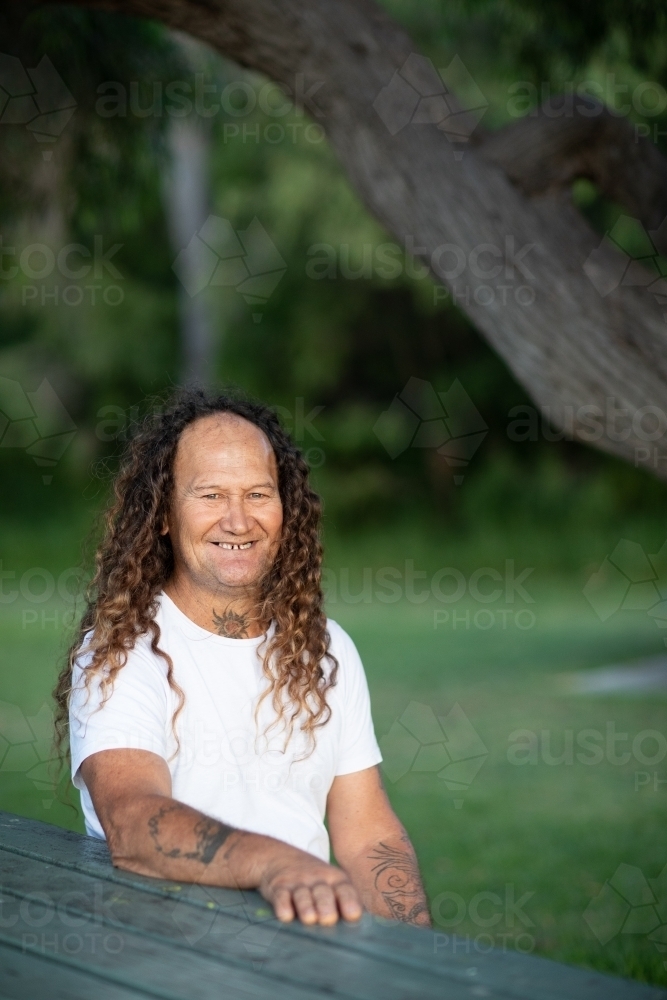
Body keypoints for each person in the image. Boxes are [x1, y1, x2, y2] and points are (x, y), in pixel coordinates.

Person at [54, 388, 429, 928]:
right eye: (210, 496)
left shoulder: (325, 648)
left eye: (258, 494)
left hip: (304, 943)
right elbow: (134, 824)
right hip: (167, 951)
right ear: (162, 514)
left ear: (285, 509)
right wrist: (277, 864)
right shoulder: (120, 650)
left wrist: (416, 962)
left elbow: (369, 832)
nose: (238, 520)